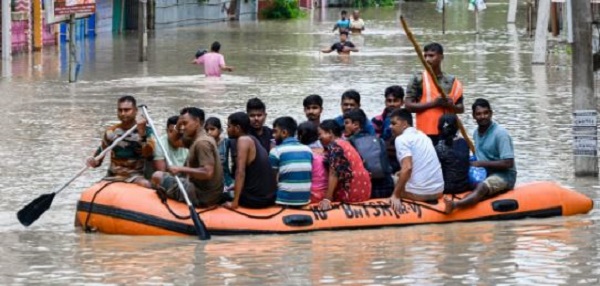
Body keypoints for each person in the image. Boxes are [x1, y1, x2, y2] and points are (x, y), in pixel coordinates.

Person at [444, 99, 517, 214]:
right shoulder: (476, 133)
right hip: (485, 172)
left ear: (491, 113)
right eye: (478, 114)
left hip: (504, 176)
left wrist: (481, 163)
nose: (483, 116)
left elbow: (508, 163)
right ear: (474, 116)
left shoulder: (500, 134)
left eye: (485, 113)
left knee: (482, 187)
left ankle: (455, 205)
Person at [151, 107, 224, 207]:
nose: (182, 127)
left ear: (197, 121)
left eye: (185, 123)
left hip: (201, 195)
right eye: (181, 124)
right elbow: (173, 141)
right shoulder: (196, 138)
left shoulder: (202, 143)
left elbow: (207, 172)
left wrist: (180, 168)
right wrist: (178, 124)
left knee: (157, 176)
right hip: (204, 191)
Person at [86, 96, 155, 188]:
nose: (123, 113)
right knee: (92, 190)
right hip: (113, 175)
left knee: (146, 185)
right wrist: (92, 161)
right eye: (120, 110)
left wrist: (142, 133)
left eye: (127, 110)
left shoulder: (147, 131)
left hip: (135, 176)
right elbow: (98, 159)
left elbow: (149, 155)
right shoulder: (111, 132)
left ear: (135, 111)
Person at [405, 42, 464, 146]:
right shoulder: (418, 79)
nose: (427, 59)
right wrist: (434, 104)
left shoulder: (452, 81)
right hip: (426, 133)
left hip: (449, 132)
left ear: (441, 57)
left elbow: (461, 108)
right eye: (425, 56)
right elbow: (408, 106)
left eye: (431, 56)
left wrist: (451, 105)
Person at [389, 109, 444, 210]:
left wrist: (396, 195)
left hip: (419, 193)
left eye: (393, 124)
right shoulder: (423, 136)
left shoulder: (401, 139)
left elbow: (408, 168)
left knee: (389, 180)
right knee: (398, 175)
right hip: (439, 191)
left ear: (405, 124)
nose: (390, 127)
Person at [225, 112, 276, 209]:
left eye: (229, 126)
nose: (227, 130)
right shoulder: (253, 139)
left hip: (256, 200)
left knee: (221, 196)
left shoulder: (243, 140)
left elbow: (240, 172)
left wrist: (235, 203)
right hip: (269, 197)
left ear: (237, 128)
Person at [317, 120, 371, 211]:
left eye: (320, 134)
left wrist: (327, 198)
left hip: (350, 194)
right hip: (365, 191)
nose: (319, 138)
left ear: (330, 133)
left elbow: (334, 173)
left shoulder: (334, 146)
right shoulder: (346, 143)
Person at [344, 109, 394, 198]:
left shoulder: (348, 143)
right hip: (387, 187)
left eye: (347, 123)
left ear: (356, 125)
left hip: (367, 188)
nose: (344, 126)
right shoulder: (379, 140)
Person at [269, 117, 313, 206]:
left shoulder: (276, 151)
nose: (273, 136)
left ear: (284, 133)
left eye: (275, 132)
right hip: (305, 199)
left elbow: (272, 180)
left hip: (284, 200)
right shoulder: (308, 150)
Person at [372, 85, 405, 173]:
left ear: (402, 102)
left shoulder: (406, 121)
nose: (392, 104)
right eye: (389, 101)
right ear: (385, 102)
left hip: (401, 160)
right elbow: (375, 144)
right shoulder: (377, 120)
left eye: (395, 101)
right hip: (383, 160)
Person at [435, 114, 470, 195]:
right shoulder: (464, 142)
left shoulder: (439, 147)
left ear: (439, 128)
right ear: (456, 128)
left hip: (446, 188)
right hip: (464, 186)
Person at [297, 121, 328, 203]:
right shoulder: (325, 150)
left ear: (299, 137)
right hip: (325, 193)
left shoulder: (303, 154)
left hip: (312, 195)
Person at [205, 117, 234, 188]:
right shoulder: (204, 144)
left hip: (226, 178)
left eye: (212, 129)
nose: (209, 132)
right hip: (209, 180)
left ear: (220, 130)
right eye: (207, 130)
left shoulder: (226, 142)